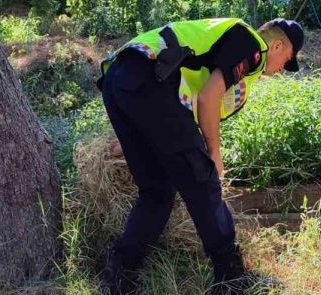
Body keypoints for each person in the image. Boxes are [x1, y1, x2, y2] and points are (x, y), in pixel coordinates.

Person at [96, 17, 304, 294]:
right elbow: (208, 98)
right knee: (203, 182)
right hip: (147, 82)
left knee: (156, 191)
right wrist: (214, 153)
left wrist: (135, 137)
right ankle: (231, 277)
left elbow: (180, 111)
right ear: (277, 45)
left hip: (119, 80)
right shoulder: (251, 44)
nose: (281, 70)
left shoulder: (220, 40)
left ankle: (119, 275)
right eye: (287, 62)